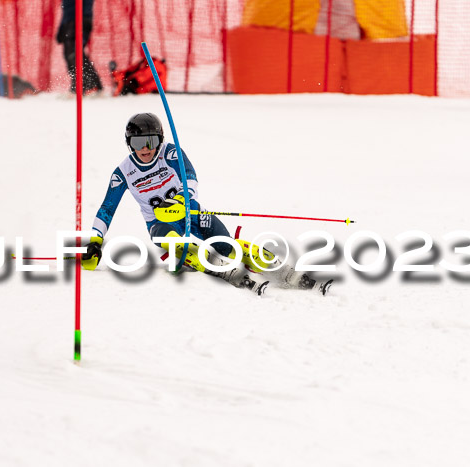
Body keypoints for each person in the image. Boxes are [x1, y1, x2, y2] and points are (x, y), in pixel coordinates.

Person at [80, 113, 332, 296]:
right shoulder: (123, 172)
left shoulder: (170, 152)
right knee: (175, 240)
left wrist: (184, 200)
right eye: (137, 143)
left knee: (227, 245)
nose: (145, 149)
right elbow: (106, 208)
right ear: (128, 143)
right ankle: (217, 267)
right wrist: (95, 241)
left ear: (160, 139)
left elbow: (190, 178)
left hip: (189, 213)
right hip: (159, 223)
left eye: (151, 142)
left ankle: (285, 273)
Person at [56, 0, 103, 94]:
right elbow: (67, 9)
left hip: (80, 18)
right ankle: (85, 84)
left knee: (74, 52)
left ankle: (90, 85)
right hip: (68, 21)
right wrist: (62, 27)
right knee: (69, 54)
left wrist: (84, 17)